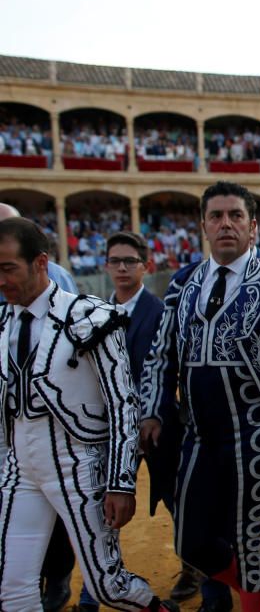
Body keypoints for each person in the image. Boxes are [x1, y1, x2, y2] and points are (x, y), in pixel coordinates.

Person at [140, 181, 260, 612]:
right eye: (217, 216)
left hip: (258, 429)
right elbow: (159, 355)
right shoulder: (182, 283)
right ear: (204, 226)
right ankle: (255, 589)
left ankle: (255, 599)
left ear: (253, 226)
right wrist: (152, 410)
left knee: (249, 533)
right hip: (199, 430)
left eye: (236, 216)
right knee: (189, 537)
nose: (226, 224)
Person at [0, 217, 178, 611]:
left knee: (107, 587)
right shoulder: (1, 323)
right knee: (10, 588)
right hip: (20, 468)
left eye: (8, 268)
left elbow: (122, 404)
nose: (0, 280)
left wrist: (120, 482)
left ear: (40, 262)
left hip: (78, 463)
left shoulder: (90, 317)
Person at [0, 201, 79, 611]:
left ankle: (59, 577)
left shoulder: (57, 279)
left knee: (46, 505)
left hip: (46, 416)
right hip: (6, 410)